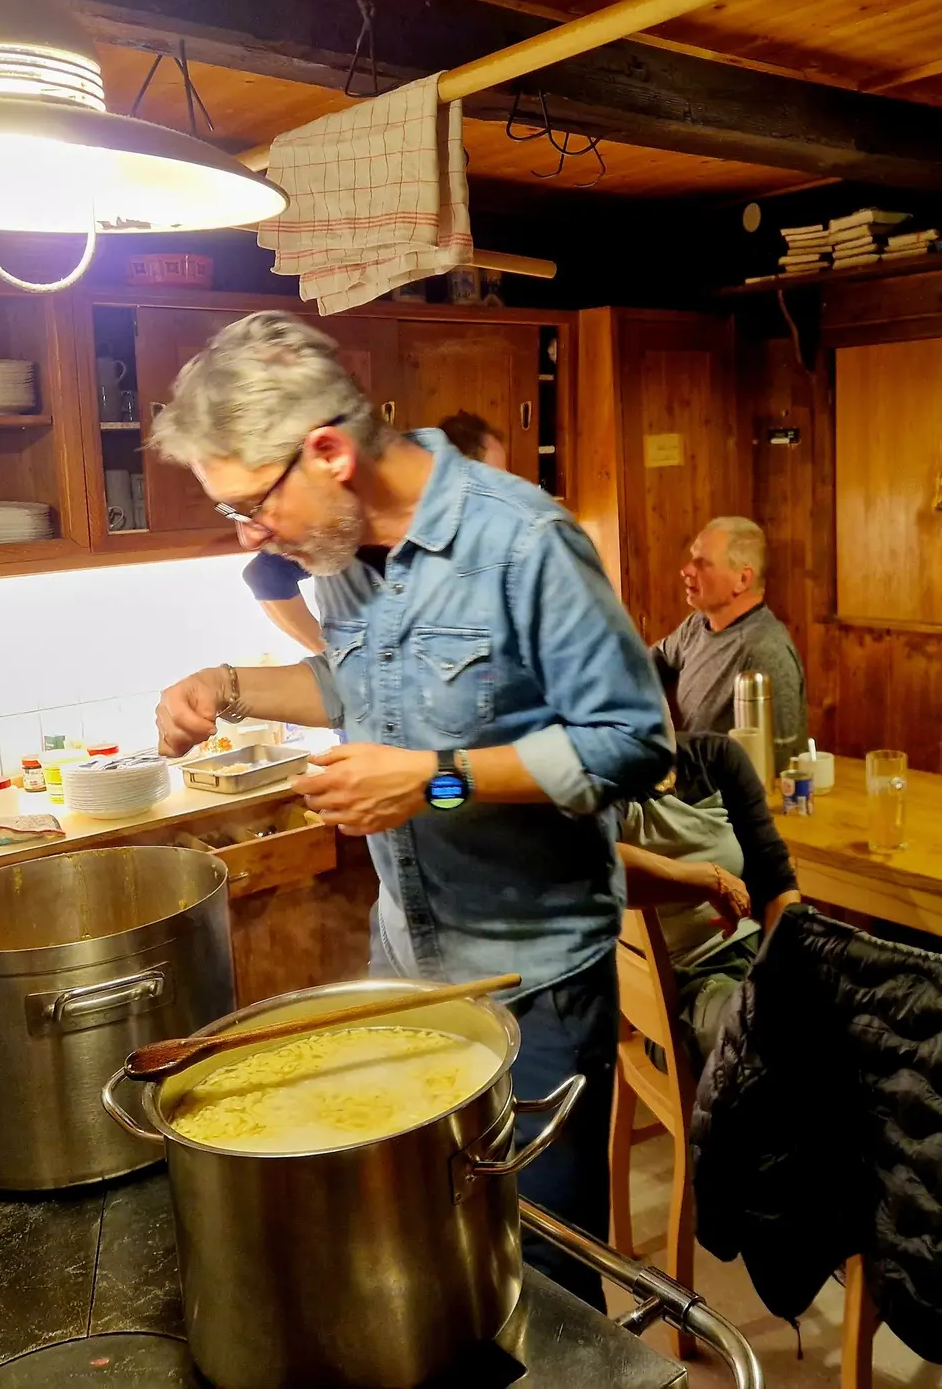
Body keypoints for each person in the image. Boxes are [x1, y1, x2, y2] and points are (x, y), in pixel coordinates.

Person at [145, 314, 671, 1308]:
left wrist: (432, 778)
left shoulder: (524, 544)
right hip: (408, 963)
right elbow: (357, 689)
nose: (252, 537)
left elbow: (633, 744)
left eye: (251, 508)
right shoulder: (341, 557)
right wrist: (227, 686)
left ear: (330, 453)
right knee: (438, 1254)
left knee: (547, 1280)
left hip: (534, 981)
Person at [241, 411, 509, 655]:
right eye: (490, 478)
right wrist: (325, 652)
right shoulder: (355, 530)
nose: (497, 494)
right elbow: (266, 576)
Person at [616, 730, 803, 1069]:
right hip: (683, 992)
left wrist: (780, 967)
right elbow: (590, 859)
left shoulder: (714, 757)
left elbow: (778, 881)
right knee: (767, 1034)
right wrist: (704, 880)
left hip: (758, 955)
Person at [650, 516, 807, 771]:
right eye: (692, 559)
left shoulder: (765, 651)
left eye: (703, 563)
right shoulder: (696, 625)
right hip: (689, 782)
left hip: (726, 802)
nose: (686, 570)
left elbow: (779, 765)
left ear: (742, 580)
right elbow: (655, 659)